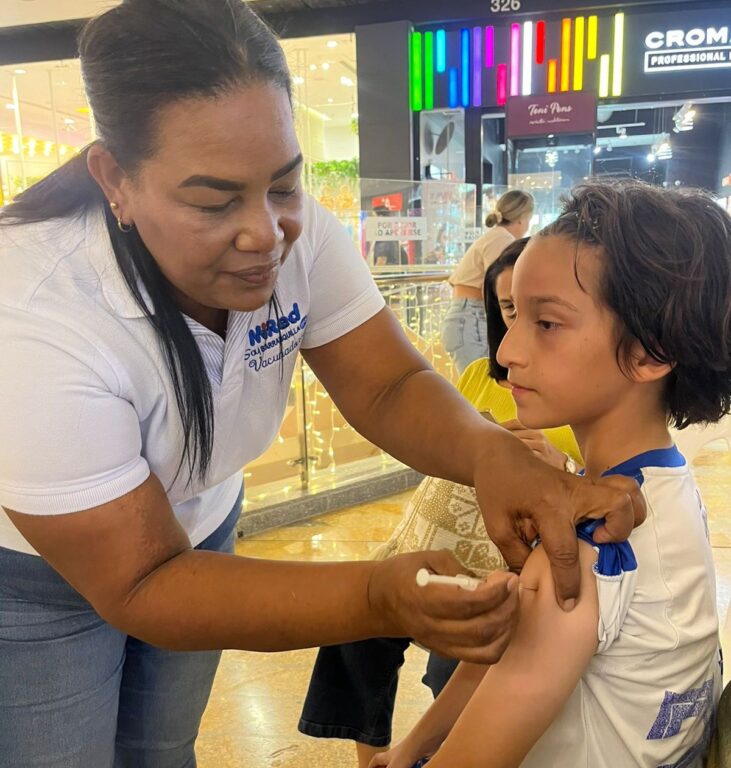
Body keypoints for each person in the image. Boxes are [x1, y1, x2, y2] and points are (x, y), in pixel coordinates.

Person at [0, 3, 644, 765]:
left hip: (199, 518)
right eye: (213, 201)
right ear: (116, 178)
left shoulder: (298, 238)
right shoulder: (33, 312)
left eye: (283, 185)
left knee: (161, 746)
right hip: (35, 574)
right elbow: (143, 582)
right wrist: (376, 598)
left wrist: (487, 454)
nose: (265, 235)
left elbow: (387, 385)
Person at [370, 180, 731, 768]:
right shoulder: (669, 482)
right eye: (512, 315)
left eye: (548, 324)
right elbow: (509, 649)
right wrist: (412, 745)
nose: (506, 352)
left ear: (647, 352)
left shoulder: (587, 544)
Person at [299, 238, 583, 768]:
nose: (515, 339)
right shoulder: (480, 376)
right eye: (508, 311)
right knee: (356, 628)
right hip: (450, 542)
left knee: (456, 660)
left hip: (515, 557)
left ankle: (432, 743)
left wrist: (557, 464)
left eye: (541, 319)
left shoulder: (578, 396)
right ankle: (373, 754)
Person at [440, 190, 533, 374]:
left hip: (463, 318)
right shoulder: (502, 239)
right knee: (482, 389)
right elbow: (497, 288)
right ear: (523, 218)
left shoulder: (495, 236)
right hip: (471, 319)